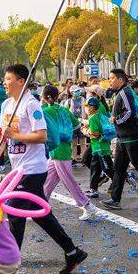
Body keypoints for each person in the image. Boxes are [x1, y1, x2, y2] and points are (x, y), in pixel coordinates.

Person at [0, 64, 87, 274]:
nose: (5, 83)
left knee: (15, 211)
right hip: (17, 169)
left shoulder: (31, 105)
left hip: (32, 169)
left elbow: (41, 136)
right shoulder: (7, 105)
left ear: (21, 81)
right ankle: (72, 251)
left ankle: (9, 263)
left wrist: (13, 135)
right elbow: (1, 135)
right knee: (39, 214)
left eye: (8, 79)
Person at [41, 85, 98, 221]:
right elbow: (77, 126)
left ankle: (88, 206)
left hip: (59, 151)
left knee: (68, 182)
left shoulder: (45, 110)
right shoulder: (64, 110)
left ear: (47, 97)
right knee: (47, 181)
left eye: (42, 95)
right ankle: (41, 207)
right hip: (61, 150)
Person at [102, 68, 138, 210]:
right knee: (118, 169)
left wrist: (115, 120)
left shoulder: (125, 92)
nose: (110, 81)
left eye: (112, 78)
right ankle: (115, 199)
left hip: (131, 138)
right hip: (122, 139)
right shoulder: (121, 93)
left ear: (120, 79)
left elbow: (129, 112)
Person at [84, 97, 113, 198]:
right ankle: (93, 189)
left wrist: (86, 132)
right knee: (95, 168)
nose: (87, 108)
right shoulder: (99, 115)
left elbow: (95, 134)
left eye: (88, 106)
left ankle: (120, 181)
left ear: (93, 107)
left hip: (99, 148)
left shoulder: (92, 118)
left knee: (108, 169)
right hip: (100, 148)